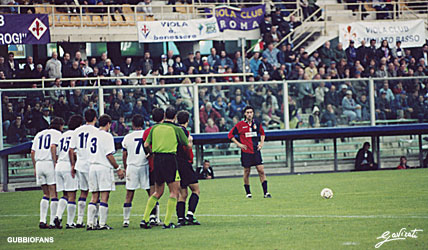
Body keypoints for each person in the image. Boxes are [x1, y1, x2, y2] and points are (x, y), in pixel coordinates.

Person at [141, 106, 190, 229]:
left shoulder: (154, 128)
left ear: (164, 116)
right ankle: (167, 222)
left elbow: (146, 144)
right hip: (170, 159)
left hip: (157, 159)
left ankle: (145, 219)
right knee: (174, 191)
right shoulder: (176, 129)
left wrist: (151, 152)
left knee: (158, 191)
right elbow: (186, 143)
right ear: (174, 117)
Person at [86, 114, 124, 230]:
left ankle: (90, 223)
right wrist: (118, 168)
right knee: (104, 197)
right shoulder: (107, 136)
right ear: (108, 124)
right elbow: (109, 155)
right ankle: (102, 224)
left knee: (94, 196)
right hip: (103, 167)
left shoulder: (91, 135)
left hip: (92, 167)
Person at [228, 106, 271, 198]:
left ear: (253, 113)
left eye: (251, 112)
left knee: (261, 170)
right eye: (247, 112)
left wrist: (261, 143)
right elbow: (230, 135)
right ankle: (248, 193)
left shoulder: (257, 123)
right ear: (244, 114)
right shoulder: (240, 125)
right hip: (246, 151)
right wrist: (239, 144)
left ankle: (266, 192)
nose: (249, 114)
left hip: (255, 151)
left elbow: (262, 133)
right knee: (247, 171)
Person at [31, 117, 64, 229]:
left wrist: (35, 167)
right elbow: (53, 146)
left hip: (39, 163)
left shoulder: (39, 134)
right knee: (54, 193)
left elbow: (32, 152)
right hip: (49, 163)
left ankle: (42, 220)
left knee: (46, 194)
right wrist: (55, 162)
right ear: (60, 126)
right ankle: (52, 222)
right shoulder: (57, 134)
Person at [68, 109, 99, 228]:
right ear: (95, 118)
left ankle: (80, 220)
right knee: (96, 193)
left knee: (84, 192)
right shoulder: (96, 131)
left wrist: (72, 164)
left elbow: (71, 150)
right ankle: (94, 220)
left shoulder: (77, 131)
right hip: (92, 164)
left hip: (80, 165)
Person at [53, 115, 83, 229]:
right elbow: (73, 152)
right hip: (68, 165)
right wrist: (74, 164)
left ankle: (58, 216)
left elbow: (55, 149)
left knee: (64, 194)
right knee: (72, 195)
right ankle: (70, 222)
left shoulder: (62, 135)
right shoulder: (76, 135)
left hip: (59, 165)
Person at [122, 115, 150, 228]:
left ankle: (126, 220)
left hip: (132, 166)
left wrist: (125, 167)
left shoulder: (127, 137)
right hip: (144, 165)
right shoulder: (146, 134)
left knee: (129, 194)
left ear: (132, 124)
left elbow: (124, 154)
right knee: (151, 192)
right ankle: (154, 217)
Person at [174, 110, 201, 226]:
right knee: (196, 190)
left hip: (176, 164)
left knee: (183, 193)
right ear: (188, 121)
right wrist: (190, 143)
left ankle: (181, 218)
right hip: (184, 163)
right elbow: (186, 147)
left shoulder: (174, 131)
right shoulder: (184, 132)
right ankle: (190, 214)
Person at [142, 108, 165, 226]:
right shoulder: (165, 129)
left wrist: (150, 153)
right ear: (164, 116)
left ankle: (151, 217)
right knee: (167, 191)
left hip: (151, 164)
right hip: (163, 163)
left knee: (153, 192)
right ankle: (154, 217)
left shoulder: (147, 131)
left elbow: (145, 145)